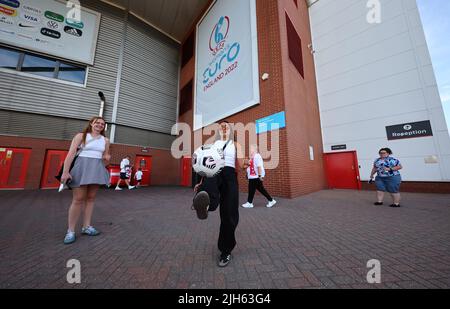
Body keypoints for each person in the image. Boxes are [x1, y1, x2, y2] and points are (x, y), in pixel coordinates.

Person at [192, 121, 245, 267]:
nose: (223, 127)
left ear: (231, 130)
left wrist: (248, 163)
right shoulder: (212, 145)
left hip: (229, 176)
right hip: (214, 173)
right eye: (221, 126)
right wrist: (201, 182)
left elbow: (240, 165)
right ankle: (206, 203)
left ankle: (225, 251)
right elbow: (204, 164)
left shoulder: (235, 144)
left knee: (229, 215)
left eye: (226, 126)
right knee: (210, 182)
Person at [61, 116, 111, 244]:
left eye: (102, 124)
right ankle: (70, 231)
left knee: (91, 198)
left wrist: (107, 157)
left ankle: (86, 227)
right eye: (97, 123)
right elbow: (71, 153)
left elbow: (105, 156)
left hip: (96, 169)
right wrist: (65, 172)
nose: (100, 125)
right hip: (81, 167)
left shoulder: (105, 140)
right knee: (78, 199)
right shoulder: (81, 136)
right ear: (91, 124)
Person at [242, 144, 276, 208]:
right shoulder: (252, 157)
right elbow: (249, 166)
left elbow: (259, 166)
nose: (250, 150)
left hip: (256, 176)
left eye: (251, 149)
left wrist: (260, 176)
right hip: (253, 176)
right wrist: (247, 173)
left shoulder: (257, 156)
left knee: (251, 189)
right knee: (261, 189)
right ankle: (271, 200)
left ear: (255, 149)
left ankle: (249, 203)